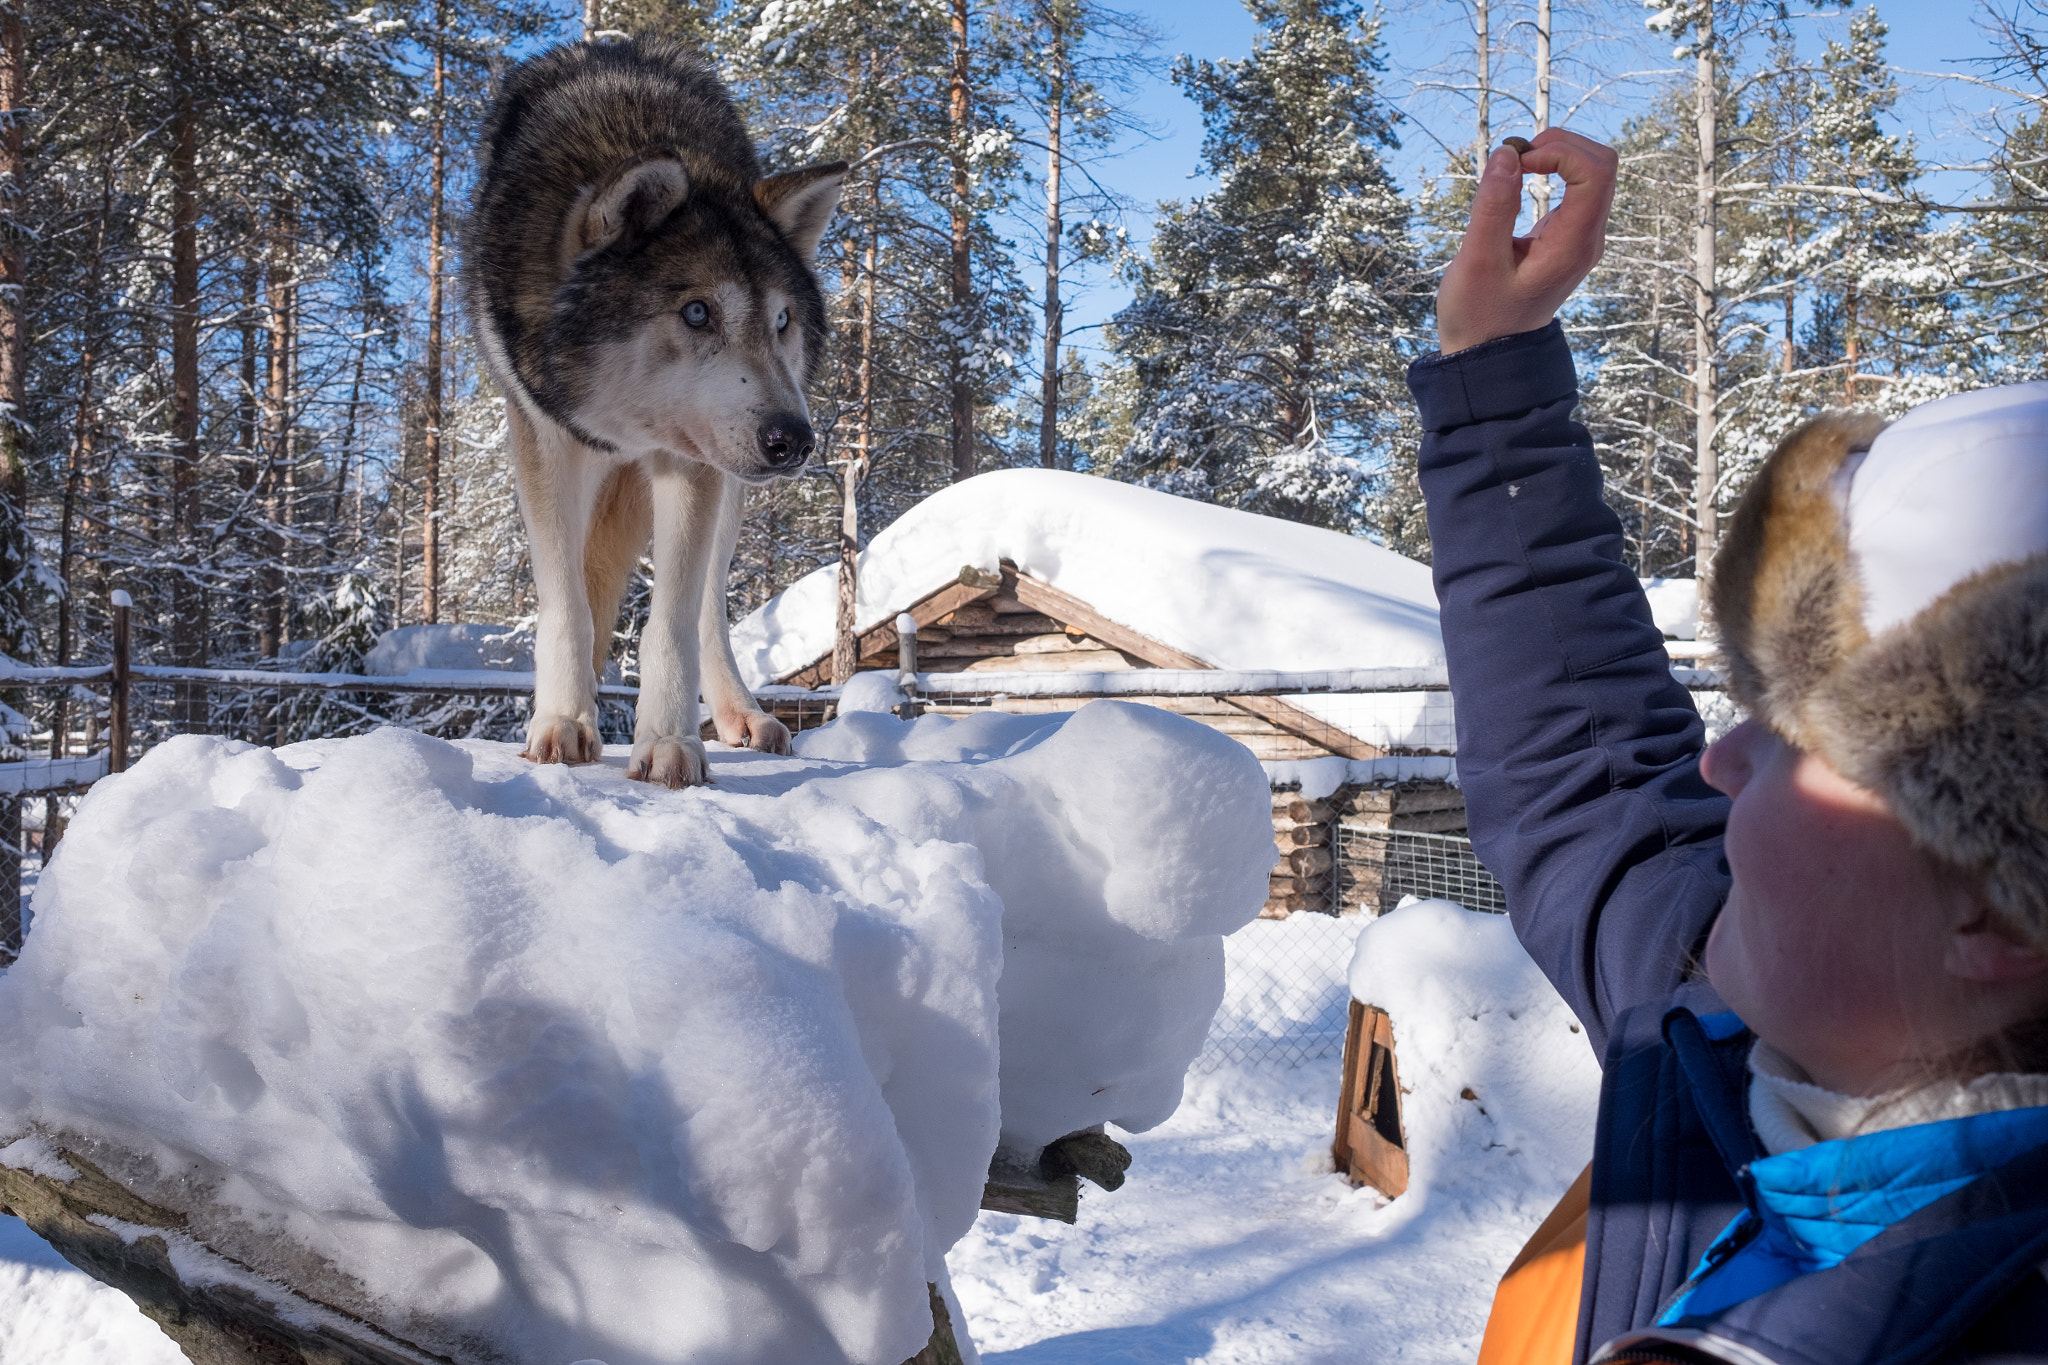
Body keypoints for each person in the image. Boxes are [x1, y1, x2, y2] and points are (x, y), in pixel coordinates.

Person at [1410, 128, 2048, 1364]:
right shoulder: (1721, 1025)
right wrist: (1491, 374)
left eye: (1794, 731)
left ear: (2008, 917)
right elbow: (1584, 771)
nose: (1716, 762)